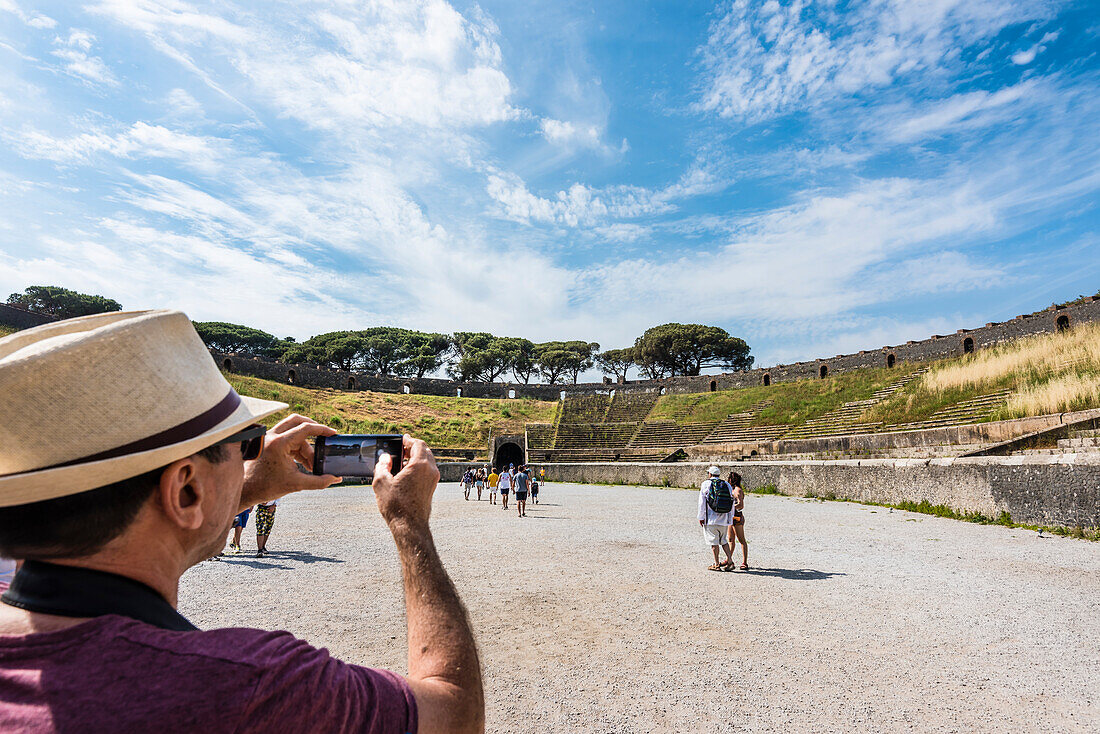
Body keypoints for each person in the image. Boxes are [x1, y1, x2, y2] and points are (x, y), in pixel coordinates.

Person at [0, 310, 484, 733]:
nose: (253, 455)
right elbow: (455, 716)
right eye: (246, 442)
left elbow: (121, 550)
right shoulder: (247, 684)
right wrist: (408, 523)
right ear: (186, 489)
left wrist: (242, 487)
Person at [698, 465, 735, 571]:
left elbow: (702, 502)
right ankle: (730, 561)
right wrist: (730, 517)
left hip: (711, 518)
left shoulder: (706, 484)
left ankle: (716, 564)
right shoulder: (727, 484)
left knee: (713, 542)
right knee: (723, 540)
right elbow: (731, 501)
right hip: (724, 518)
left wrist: (701, 517)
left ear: (710, 474)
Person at [726, 472, 749, 570]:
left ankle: (744, 562)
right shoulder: (732, 489)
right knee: (731, 539)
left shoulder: (738, 490)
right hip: (731, 516)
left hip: (737, 516)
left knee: (741, 540)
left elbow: (741, 505)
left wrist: (730, 507)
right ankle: (729, 559)